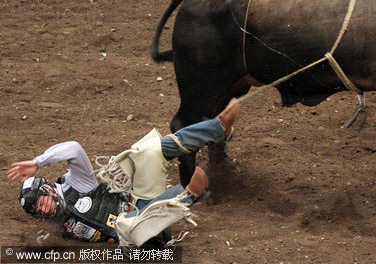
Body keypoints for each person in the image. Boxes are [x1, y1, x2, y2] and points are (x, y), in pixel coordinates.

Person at [8, 99, 241, 246]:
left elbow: (73, 148)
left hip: (138, 200)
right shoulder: (57, 224)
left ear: (47, 188)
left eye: (41, 201)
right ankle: (188, 195)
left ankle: (218, 129)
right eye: (38, 210)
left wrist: (39, 162)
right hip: (141, 237)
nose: (43, 208)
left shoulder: (74, 183)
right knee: (128, 228)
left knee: (148, 151)